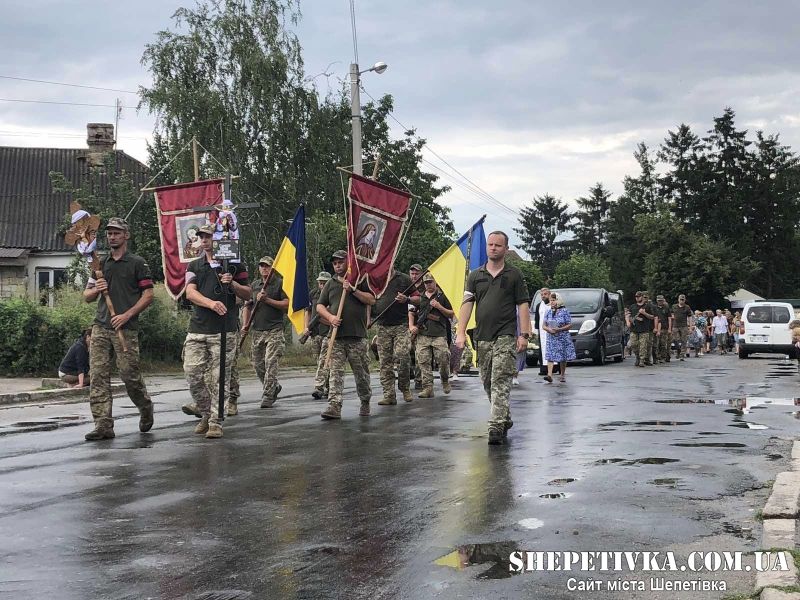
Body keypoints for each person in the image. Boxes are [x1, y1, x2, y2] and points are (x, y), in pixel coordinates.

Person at [82, 217, 155, 441]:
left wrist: (127, 314)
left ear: (126, 236)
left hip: (126, 327)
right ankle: (103, 424)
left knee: (129, 375)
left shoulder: (137, 263)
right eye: (110, 233)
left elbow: (149, 295)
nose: (112, 236)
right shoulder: (100, 264)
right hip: (101, 326)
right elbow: (86, 296)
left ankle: (145, 406)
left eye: (117, 233)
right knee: (98, 376)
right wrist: (97, 289)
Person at [456, 231, 531, 445]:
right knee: (487, 379)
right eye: (490, 244)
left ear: (506, 249)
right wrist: (460, 332)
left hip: (506, 334)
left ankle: (496, 425)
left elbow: (523, 304)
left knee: (501, 377)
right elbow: (467, 304)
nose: (493, 248)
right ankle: (504, 416)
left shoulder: (514, 275)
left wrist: (523, 334)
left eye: (498, 245)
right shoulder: (475, 276)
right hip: (483, 336)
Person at [182, 223, 250, 439]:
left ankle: (215, 421)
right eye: (201, 236)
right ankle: (204, 412)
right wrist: (211, 303)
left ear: (219, 239)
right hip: (198, 328)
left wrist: (232, 286)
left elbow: (248, 294)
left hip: (224, 330)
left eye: (208, 236)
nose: (204, 240)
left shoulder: (234, 265)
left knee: (219, 378)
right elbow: (190, 293)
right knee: (192, 373)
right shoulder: (194, 265)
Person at [316, 250, 375, 419]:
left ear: (348, 262)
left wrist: (353, 290)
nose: (337, 265)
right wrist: (330, 317)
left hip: (357, 336)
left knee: (361, 374)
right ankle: (334, 405)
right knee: (335, 372)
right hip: (337, 336)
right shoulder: (331, 283)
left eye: (340, 262)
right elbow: (320, 306)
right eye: (334, 263)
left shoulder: (360, 279)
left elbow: (371, 299)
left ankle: (365, 401)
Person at [242, 256, 288, 408]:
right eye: (261, 266)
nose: (264, 268)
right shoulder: (255, 285)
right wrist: (245, 324)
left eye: (267, 266)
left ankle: (268, 395)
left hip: (274, 329)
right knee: (257, 364)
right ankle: (273, 386)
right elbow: (247, 306)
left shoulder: (280, 283)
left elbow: (287, 305)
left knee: (270, 362)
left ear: (273, 268)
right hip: (258, 330)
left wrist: (268, 300)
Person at [373, 268, 414, 405]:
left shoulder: (404, 279)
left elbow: (418, 298)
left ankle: (405, 387)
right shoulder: (376, 278)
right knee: (385, 361)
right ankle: (389, 394)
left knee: (403, 356)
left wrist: (407, 299)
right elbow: (368, 299)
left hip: (400, 325)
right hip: (382, 325)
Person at [411, 273, 453, 398]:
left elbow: (452, 313)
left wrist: (439, 307)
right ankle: (428, 388)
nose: (428, 284)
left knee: (443, 359)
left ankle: (445, 380)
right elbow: (411, 312)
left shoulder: (443, 296)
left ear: (435, 282)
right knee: (423, 362)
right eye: (426, 282)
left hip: (439, 334)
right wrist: (411, 326)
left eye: (430, 282)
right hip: (423, 334)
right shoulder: (420, 297)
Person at [304, 271, 332, 399]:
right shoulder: (313, 294)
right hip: (315, 333)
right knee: (319, 361)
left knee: (324, 361)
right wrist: (307, 327)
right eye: (320, 283)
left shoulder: (332, 294)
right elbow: (308, 311)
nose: (322, 285)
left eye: (324, 283)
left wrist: (323, 319)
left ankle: (319, 387)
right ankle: (328, 386)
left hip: (328, 332)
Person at [543, 292, 576, 383]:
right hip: (551, 337)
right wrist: (548, 329)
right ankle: (549, 375)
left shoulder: (564, 311)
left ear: (558, 300)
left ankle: (562, 375)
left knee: (562, 356)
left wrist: (560, 329)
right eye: (551, 300)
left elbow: (569, 325)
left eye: (554, 300)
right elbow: (543, 325)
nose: (552, 302)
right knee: (550, 356)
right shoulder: (548, 311)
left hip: (562, 337)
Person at [402, 263, 425, 388]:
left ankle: (419, 380)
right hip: (405, 323)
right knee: (404, 351)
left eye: (417, 273)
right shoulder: (405, 285)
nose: (414, 276)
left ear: (421, 274)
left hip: (421, 323)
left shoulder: (425, 287)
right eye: (412, 273)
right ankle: (409, 373)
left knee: (419, 353)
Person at [625, 291, 656, 367]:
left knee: (643, 346)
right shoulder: (632, 306)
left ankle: (642, 360)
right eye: (636, 297)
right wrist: (628, 321)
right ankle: (637, 357)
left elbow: (652, 317)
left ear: (642, 297)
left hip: (644, 329)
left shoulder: (647, 306)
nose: (637, 298)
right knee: (634, 344)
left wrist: (644, 313)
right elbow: (628, 315)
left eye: (638, 296)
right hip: (634, 329)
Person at [533, 288, 554, 376]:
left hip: (552, 330)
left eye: (545, 294)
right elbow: (537, 318)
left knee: (553, 349)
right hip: (542, 331)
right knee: (543, 349)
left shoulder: (553, 304)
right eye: (542, 295)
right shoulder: (539, 305)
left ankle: (555, 368)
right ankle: (544, 369)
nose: (543, 296)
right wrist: (537, 328)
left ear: (549, 294)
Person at [671, 294, 693, 361]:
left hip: (684, 326)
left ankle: (682, 355)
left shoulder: (687, 307)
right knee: (675, 340)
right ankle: (678, 351)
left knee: (684, 340)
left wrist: (690, 327)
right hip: (675, 326)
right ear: (678, 300)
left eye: (683, 300)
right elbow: (671, 315)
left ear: (685, 300)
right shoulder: (674, 306)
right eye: (680, 299)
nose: (682, 301)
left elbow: (690, 317)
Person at [653, 295, 673, 364]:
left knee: (663, 344)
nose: (660, 302)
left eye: (661, 300)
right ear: (657, 301)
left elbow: (669, 319)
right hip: (656, 327)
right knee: (656, 344)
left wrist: (669, 328)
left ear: (663, 300)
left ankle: (663, 357)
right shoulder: (654, 308)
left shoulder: (666, 308)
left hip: (664, 328)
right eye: (659, 300)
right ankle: (657, 357)